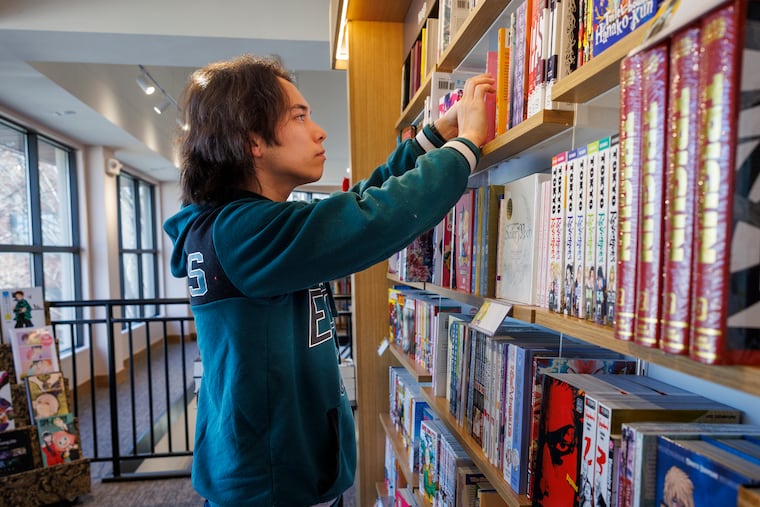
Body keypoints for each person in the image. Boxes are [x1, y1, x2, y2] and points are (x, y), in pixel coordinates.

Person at [163, 54, 495, 507]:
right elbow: (371, 219)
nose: (319, 131)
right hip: (273, 483)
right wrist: (467, 146)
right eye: (299, 116)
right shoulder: (242, 231)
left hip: (278, 470)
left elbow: (357, 202)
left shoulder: (243, 225)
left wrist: (433, 137)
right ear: (252, 141)